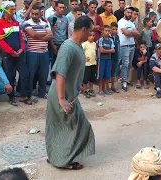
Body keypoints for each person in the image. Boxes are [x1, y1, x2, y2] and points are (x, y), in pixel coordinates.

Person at [45, 16, 95, 170]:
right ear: (84, 30)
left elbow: (74, 71)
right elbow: (60, 73)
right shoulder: (68, 47)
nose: (92, 34)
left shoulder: (78, 46)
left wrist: (77, 85)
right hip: (61, 96)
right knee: (71, 127)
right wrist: (61, 99)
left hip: (70, 94)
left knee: (65, 127)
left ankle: (57, 156)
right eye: (91, 31)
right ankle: (63, 161)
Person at [0, 1, 32, 106]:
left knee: (25, 74)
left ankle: (24, 95)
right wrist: (11, 51)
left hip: (19, 53)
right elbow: (0, 40)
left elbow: (20, 37)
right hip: (8, 54)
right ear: (5, 10)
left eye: (14, 9)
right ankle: (11, 97)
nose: (13, 11)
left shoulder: (16, 22)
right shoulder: (0, 23)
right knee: (10, 75)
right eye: (11, 9)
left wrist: (21, 48)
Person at [24, 6, 53, 99]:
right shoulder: (27, 23)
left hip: (44, 52)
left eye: (37, 14)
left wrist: (38, 35)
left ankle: (42, 92)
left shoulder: (44, 22)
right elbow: (32, 34)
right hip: (32, 52)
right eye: (33, 14)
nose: (35, 16)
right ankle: (29, 94)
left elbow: (51, 35)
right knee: (31, 74)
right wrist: (45, 33)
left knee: (43, 74)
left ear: (40, 13)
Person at [118, 5, 139, 92]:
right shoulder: (121, 22)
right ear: (124, 12)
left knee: (129, 64)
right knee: (125, 64)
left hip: (132, 45)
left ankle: (125, 79)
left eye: (131, 12)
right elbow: (126, 33)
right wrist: (132, 32)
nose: (129, 14)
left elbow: (137, 33)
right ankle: (124, 81)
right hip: (124, 46)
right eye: (128, 12)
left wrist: (131, 32)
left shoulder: (131, 23)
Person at [47, 1, 68, 68]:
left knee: (63, 64)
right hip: (55, 44)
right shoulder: (50, 18)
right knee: (54, 64)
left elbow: (66, 32)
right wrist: (53, 46)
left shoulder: (65, 18)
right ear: (56, 8)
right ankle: (53, 78)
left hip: (63, 43)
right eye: (60, 7)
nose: (62, 9)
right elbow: (49, 34)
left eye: (63, 8)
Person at [97, 25, 115, 96]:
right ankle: (100, 89)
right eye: (106, 31)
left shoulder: (110, 40)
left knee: (107, 75)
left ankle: (105, 89)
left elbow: (113, 50)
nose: (107, 32)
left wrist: (106, 50)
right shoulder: (101, 40)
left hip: (108, 59)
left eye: (108, 31)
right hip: (101, 59)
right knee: (101, 75)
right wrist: (109, 50)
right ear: (102, 32)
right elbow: (101, 50)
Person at [82, 32, 97, 98]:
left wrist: (96, 58)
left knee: (92, 78)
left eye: (93, 35)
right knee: (85, 79)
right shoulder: (85, 44)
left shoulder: (94, 44)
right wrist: (84, 58)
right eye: (90, 35)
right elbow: (81, 52)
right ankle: (84, 90)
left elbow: (95, 52)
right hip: (86, 64)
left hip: (93, 63)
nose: (92, 37)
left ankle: (91, 90)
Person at [109, 22, 120, 93]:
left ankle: (113, 86)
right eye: (113, 29)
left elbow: (118, 47)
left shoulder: (117, 37)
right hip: (109, 57)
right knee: (108, 72)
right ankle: (106, 87)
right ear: (110, 29)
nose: (115, 31)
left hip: (115, 57)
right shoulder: (108, 37)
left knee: (114, 72)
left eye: (116, 29)